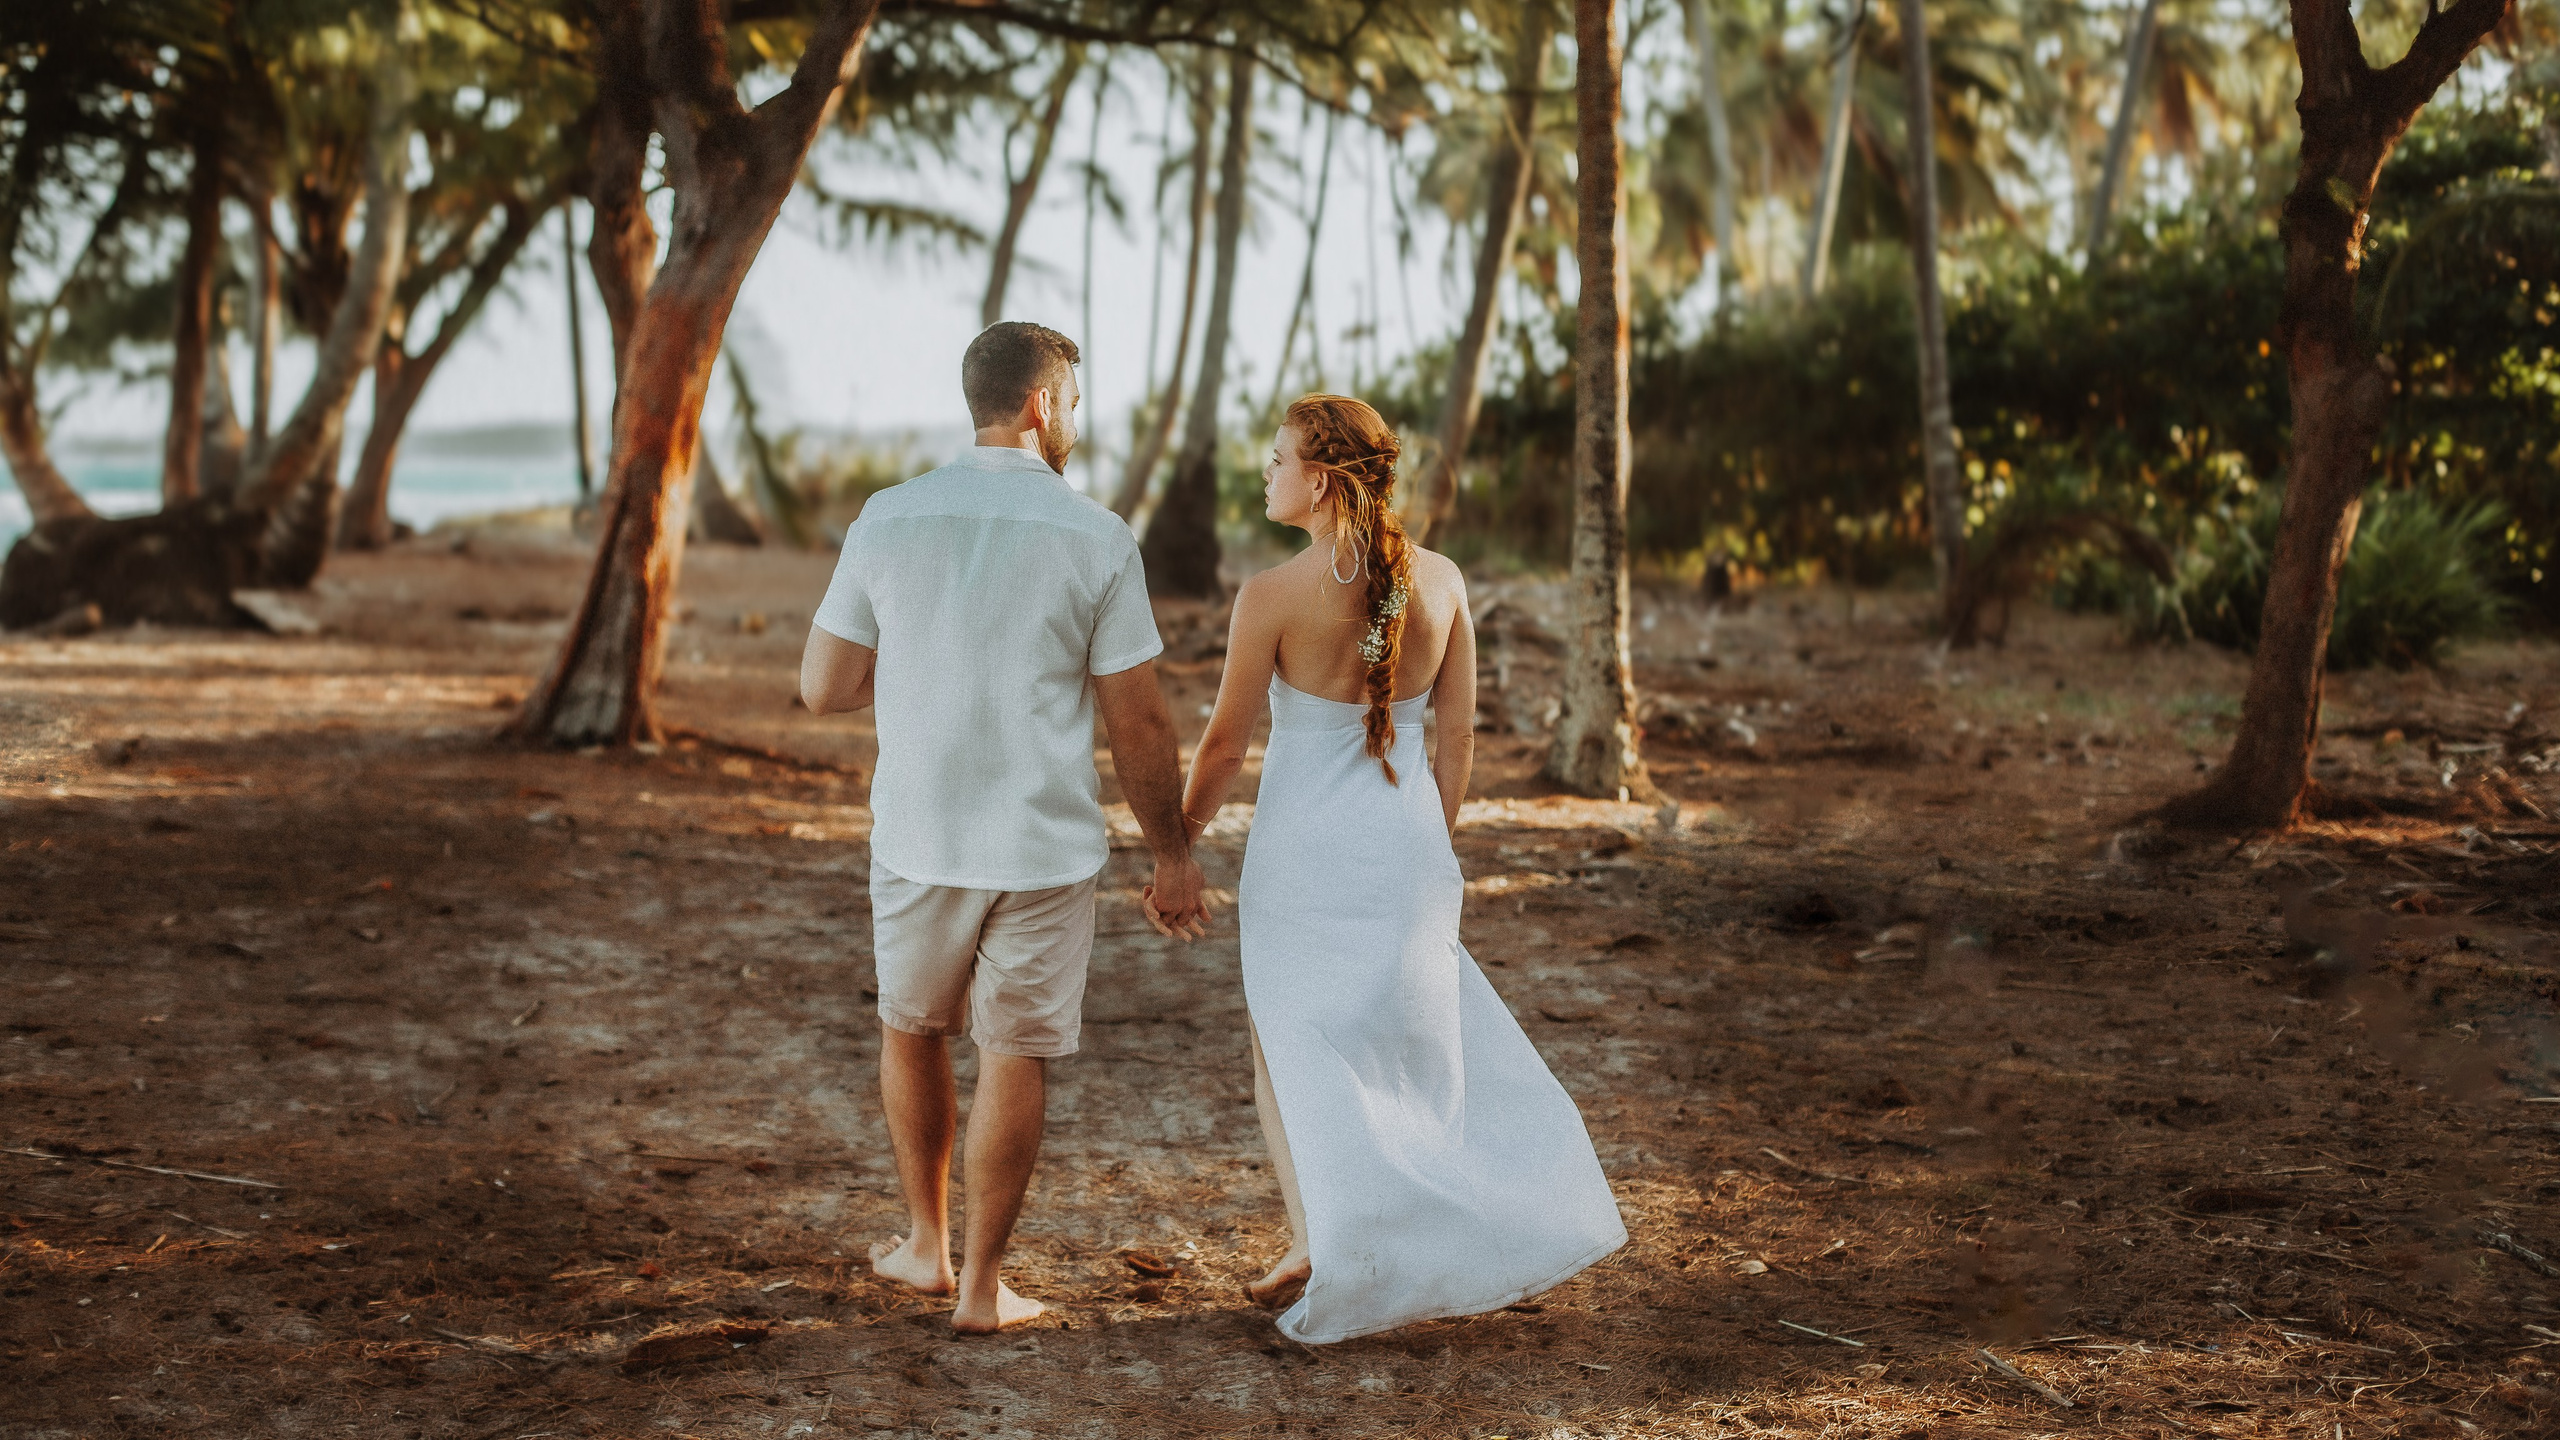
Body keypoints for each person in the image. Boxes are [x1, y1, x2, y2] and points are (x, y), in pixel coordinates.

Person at [1169, 394, 1626, 1345]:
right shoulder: (1446, 583)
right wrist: (1430, 839)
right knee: (1405, 1047)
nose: (1267, 473)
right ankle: (1336, 1238)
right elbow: (1453, 736)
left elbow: (1221, 749)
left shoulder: (1270, 596)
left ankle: (1313, 1236)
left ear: (1323, 480)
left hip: (1301, 855)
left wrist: (1178, 841)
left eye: (1280, 458)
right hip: (1406, 845)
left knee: (1284, 1043)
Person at [800, 321, 1210, 1335]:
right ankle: (984, 1288)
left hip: (919, 836)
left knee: (911, 1029)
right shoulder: (1096, 537)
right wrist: (1171, 853)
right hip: (1042, 847)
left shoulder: (888, 518)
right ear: (1041, 404)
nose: (1074, 417)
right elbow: (1138, 718)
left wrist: (928, 662)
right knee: (1012, 1052)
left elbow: (824, 687)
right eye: (1071, 399)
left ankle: (923, 1248)